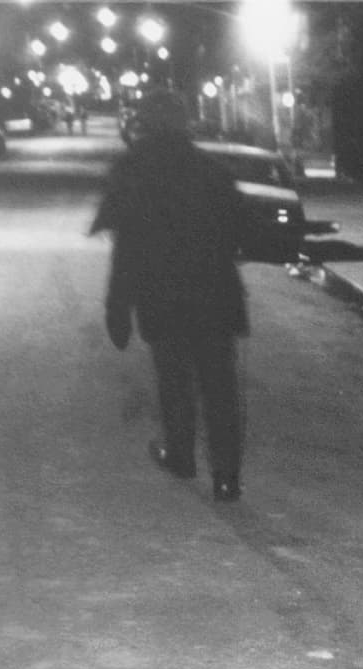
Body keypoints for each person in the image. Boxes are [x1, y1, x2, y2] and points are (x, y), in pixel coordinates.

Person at [92, 89, 250, 501]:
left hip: (162, 295)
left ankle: (180, 454)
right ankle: (227, 476)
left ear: (144, 124)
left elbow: (125, 247)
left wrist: (117, 307)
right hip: (215, 294)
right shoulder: (212, 170)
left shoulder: (133, 170)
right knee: (220, 386)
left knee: (174, 380)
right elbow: (242, 231)